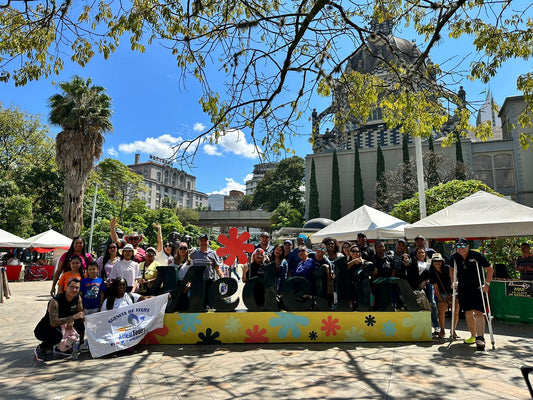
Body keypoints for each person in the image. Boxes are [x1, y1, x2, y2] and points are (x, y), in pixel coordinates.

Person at [450, 238, 494, 350]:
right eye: (458, 246)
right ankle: (473, 336)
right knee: (468, 312)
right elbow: (451, 269)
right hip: (463, 288)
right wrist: (453, 281)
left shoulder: (476, 255)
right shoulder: (454, 257)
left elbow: (489, 269)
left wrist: (487, 284)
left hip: (477, 287)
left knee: (479, 312)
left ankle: (480, 338)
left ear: (468, 246)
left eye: (463, 246)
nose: (461, 248)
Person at [34, 278, 85, 362]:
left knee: (80, 323)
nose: (74, 290)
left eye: (77, 288)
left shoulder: (77, 298)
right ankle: (41, 347)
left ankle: (80, 345)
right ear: (66, 287)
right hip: (44, 329)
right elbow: (54, 322)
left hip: (63, 324)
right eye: (72, 287)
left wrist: (74, 319)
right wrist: (72, 318)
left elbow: (80, 313)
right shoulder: (55, 301)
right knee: (57, 336)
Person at [406, 247, 439, 334]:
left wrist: (425, 282)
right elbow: (409, 276)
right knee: (418, 307)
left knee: (432, 304)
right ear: (416, 255)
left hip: (427, 286)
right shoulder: (413, 263)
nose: (421, 254)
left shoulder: (429, 264)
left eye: (423, 253)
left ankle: (436, 326)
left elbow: (432, 277)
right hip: (415, 288)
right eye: (419, 253)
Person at [190, 234, 225, 309]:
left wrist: (222, 277)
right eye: (201, 240)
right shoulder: (193, 254)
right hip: (198, 282)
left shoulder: (213, 253)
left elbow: (217, 267)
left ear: (208, 242)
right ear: (198, 242)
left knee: (210, 303)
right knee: (199, 303)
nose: (203, 242)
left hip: (209, 281)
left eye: (205, 241)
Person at [429, 253, 459, 338]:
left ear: (442, 261)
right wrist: (440, 299)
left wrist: (454, 291)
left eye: (439, 261)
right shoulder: (432, 272)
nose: (437, 263)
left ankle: (453, 330)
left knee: (456, 310)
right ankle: (442, 330)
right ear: (432, 262)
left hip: (453, 291)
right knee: (441, 309)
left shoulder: (447, 268)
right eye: (435, 261)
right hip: (442, 292)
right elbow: (435, 287)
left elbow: (455, 279)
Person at [347, 245, 375, 311]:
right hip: (351, 288)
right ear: (350, 252)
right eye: (353, 251)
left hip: (363, 288)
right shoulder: (348, 262)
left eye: (357, 251)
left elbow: (373, 270)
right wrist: (353, 262)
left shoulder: (364, 262)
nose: (355, 253)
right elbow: (344, 269)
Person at [310, 243, 334, 307]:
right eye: (319, 248)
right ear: (316, 249)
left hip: (320, 285)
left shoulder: (327, 262)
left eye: (323, 249)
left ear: (325, 252)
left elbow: (330, 279)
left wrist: (327, 269)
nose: (321, 250)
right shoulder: (310, 255)